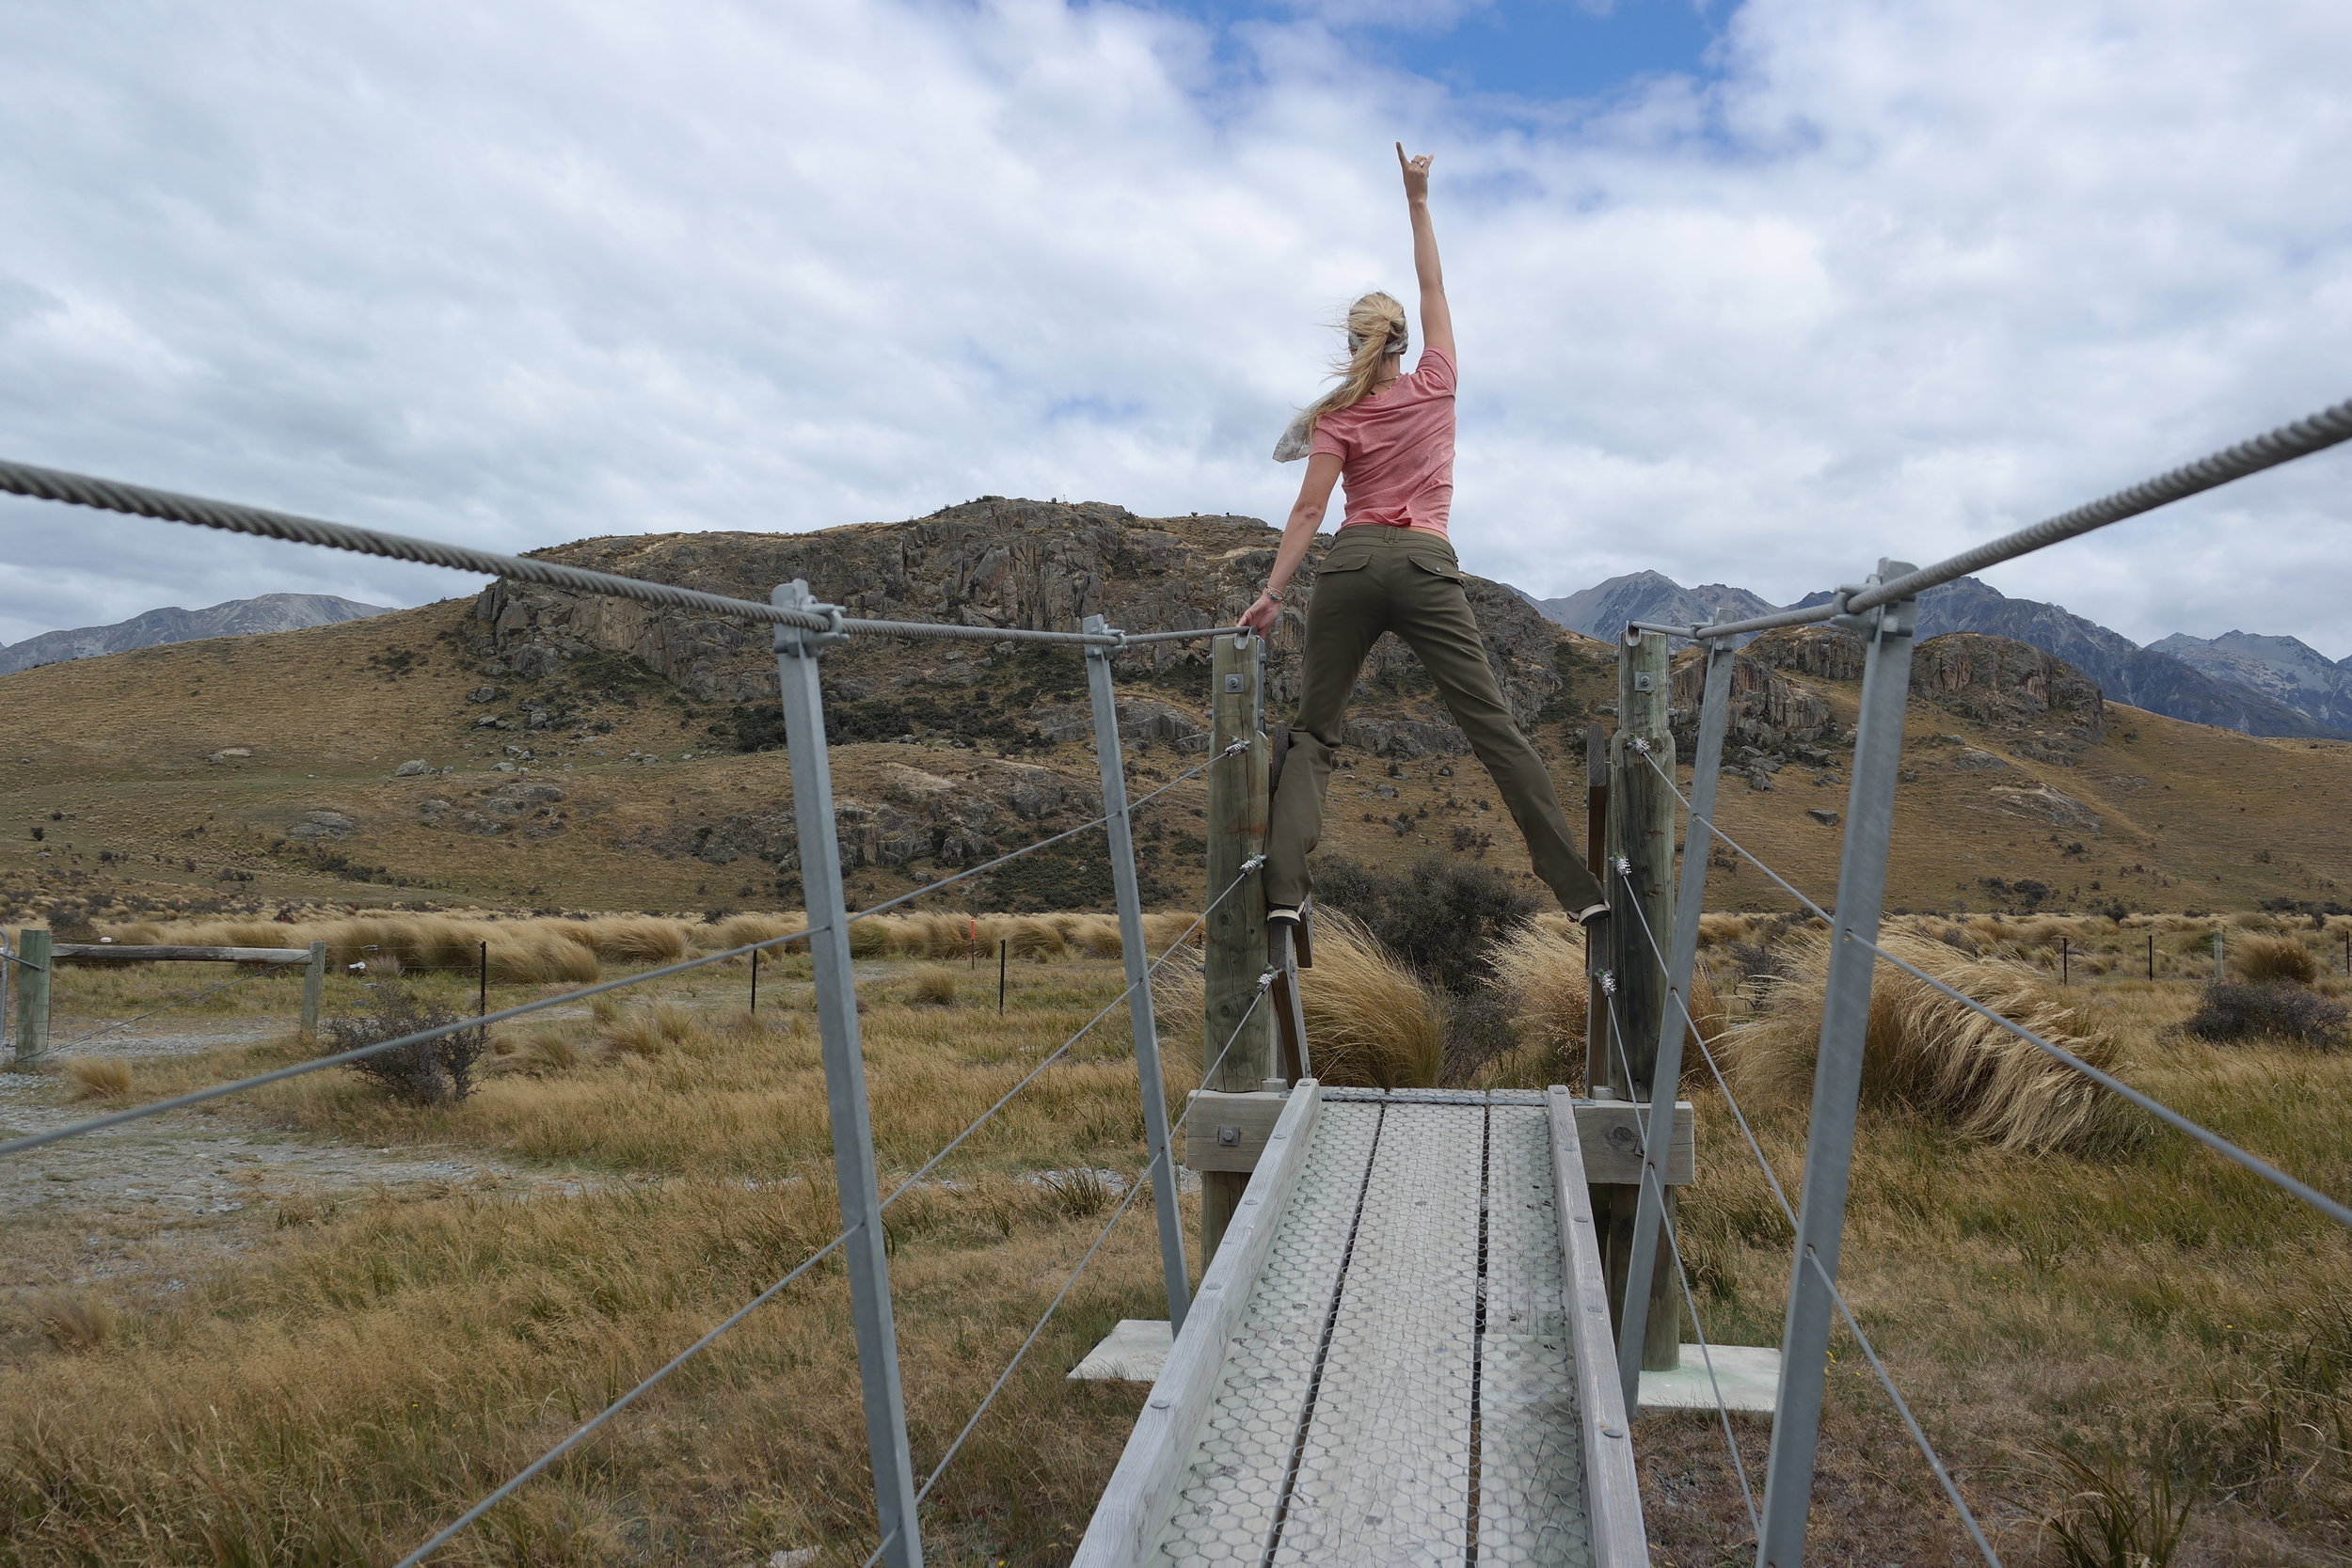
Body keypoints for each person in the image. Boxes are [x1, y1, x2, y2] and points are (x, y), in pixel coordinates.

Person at [1240, 143, 1609, 931]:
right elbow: (1434, 281)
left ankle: (1282, 897)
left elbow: (1309, 512)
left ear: (1352, 345)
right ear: (1402, 342)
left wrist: (1272, 595)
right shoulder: (1437, 382)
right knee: (1492, 726)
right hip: (1426, 564)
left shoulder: (1335, 417)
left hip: (1351, 560)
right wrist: (1417, 198)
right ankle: (1580, 892)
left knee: (1314, 732)